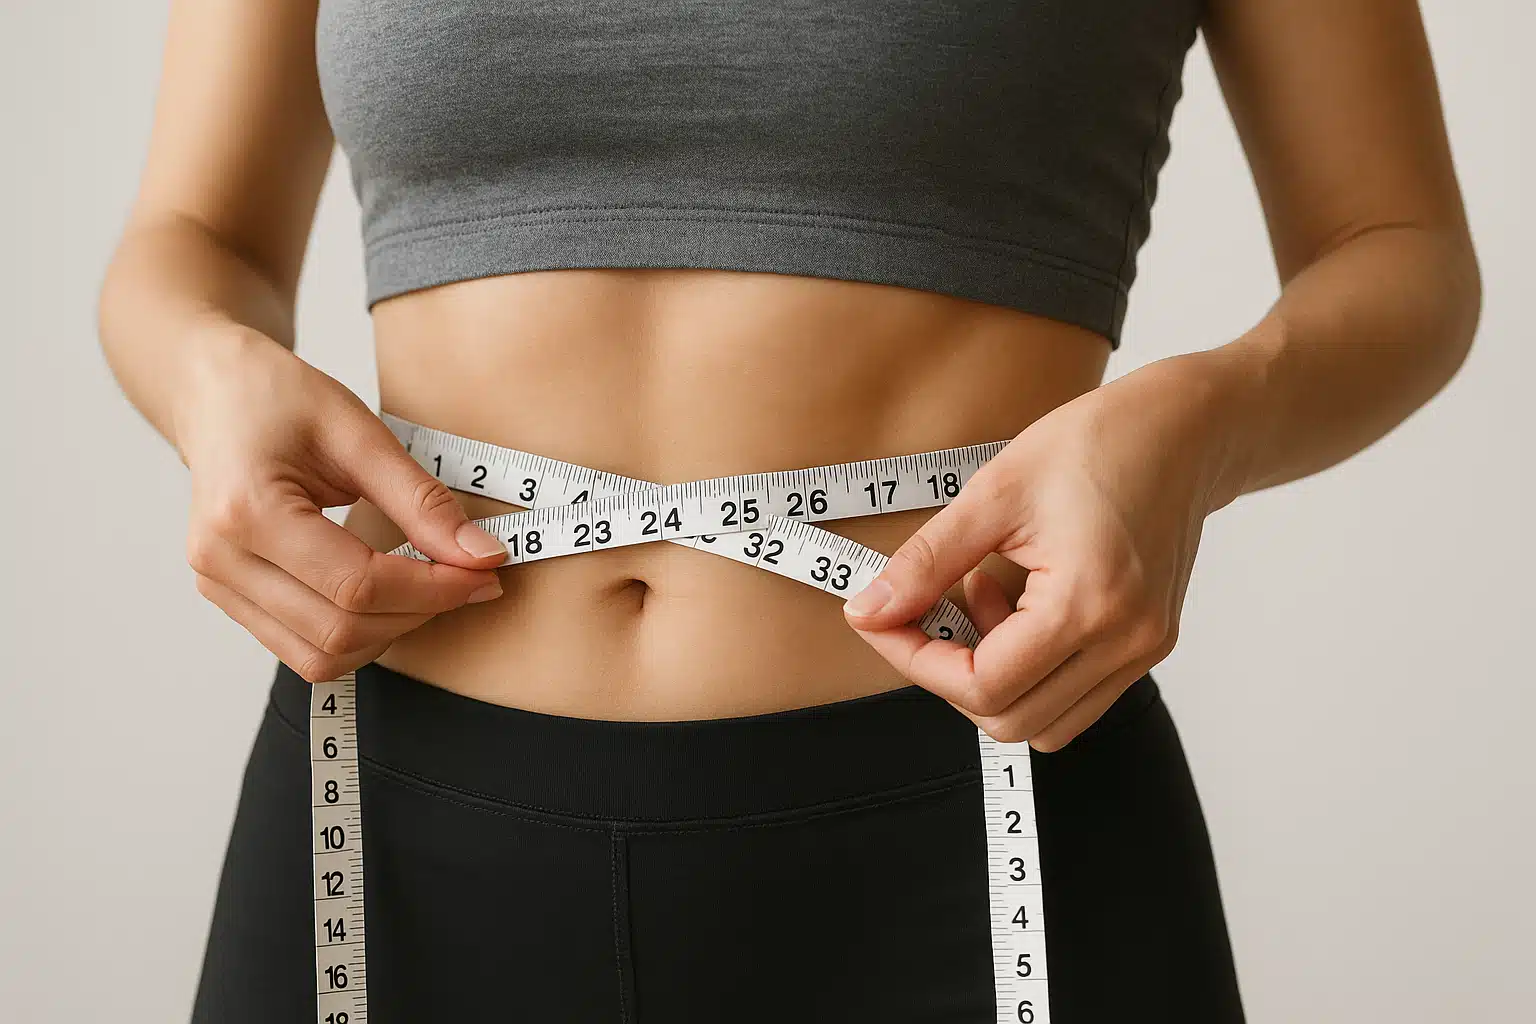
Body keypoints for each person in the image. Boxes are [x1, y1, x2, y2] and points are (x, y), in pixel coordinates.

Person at [97, 1, 1479, 1021]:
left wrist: (1203, 423)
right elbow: (189, 240)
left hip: (968, 806)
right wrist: (208, 381)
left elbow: (1399, 251)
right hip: (390, 813)